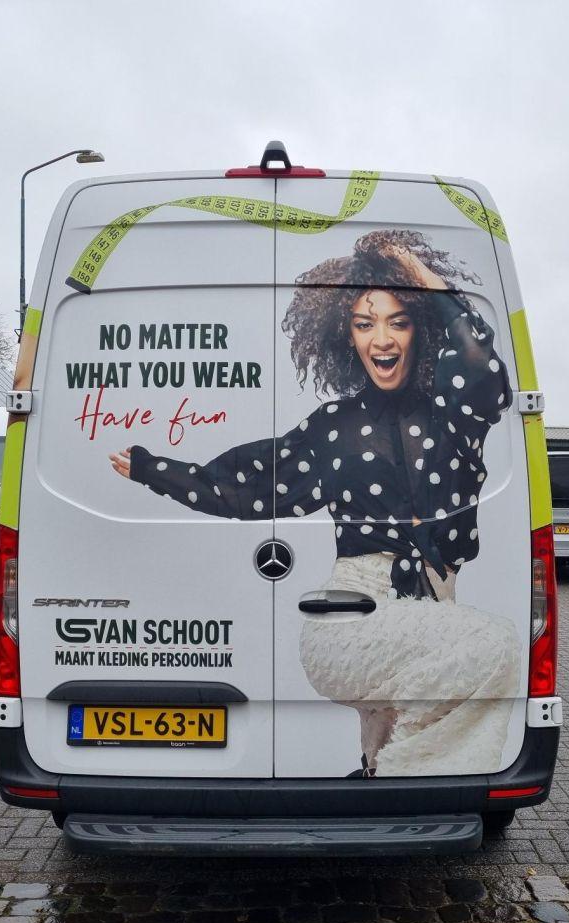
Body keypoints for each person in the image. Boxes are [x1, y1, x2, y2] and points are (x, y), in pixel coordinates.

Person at [109, 229, 521, 777]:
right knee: (495, 644)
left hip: (429, 610)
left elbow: (478, 363)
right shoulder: (334, 428)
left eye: (398, 321)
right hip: (351, 613)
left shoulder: (454, 418)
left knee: (402, 722)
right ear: (345, 336)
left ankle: (381, 778)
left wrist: (419, 277)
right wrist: (152, 469)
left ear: (421, 330)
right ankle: (403, 775)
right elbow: (245, 484)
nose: (382, 339)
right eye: (364, 323)